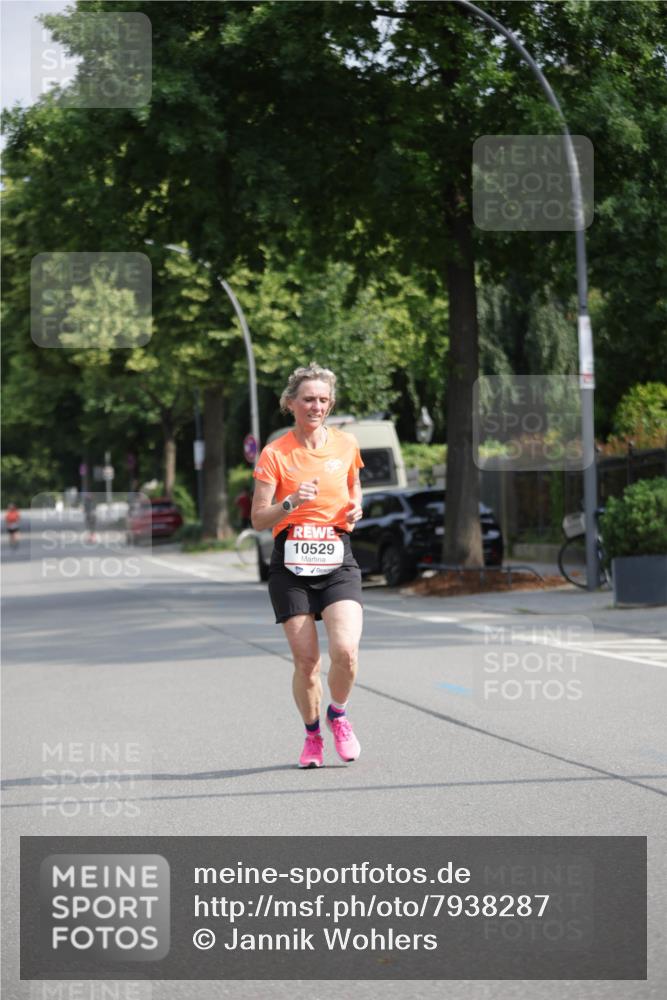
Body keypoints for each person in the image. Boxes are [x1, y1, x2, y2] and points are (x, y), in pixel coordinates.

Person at [252, 364, 364, 769]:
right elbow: (258, 519)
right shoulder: (275, 454)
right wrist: (290, 502)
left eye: (322, 400)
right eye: (308, 399)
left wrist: (356, 507)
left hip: (336, 557)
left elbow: (353, 485)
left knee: (346, 651)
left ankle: (339, 714)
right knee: (307, 662)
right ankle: (313, 735)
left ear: (329, 404)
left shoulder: (346, 444)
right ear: (291, 403)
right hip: (291, 564)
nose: (316, 406)